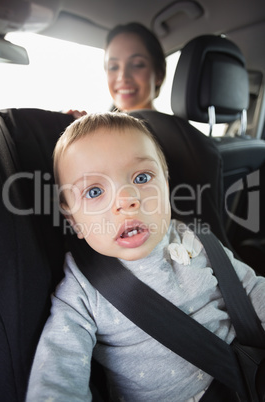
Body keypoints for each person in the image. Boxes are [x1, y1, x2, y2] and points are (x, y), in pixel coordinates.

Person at [26, 112, 265, 401]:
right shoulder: (82, 289)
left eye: (141, 177)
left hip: (249, 376)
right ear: (73, 220)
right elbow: (58, 371)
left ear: (166, 185)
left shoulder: (195, 237)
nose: (126, 199)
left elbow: (251, 289)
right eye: (94, 191)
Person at [67, 22, 166, 117]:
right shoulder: (99, 129)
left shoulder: (175, 132)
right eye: (113, 67)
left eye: (137, 64)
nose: (122, 76)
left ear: (158, 74)